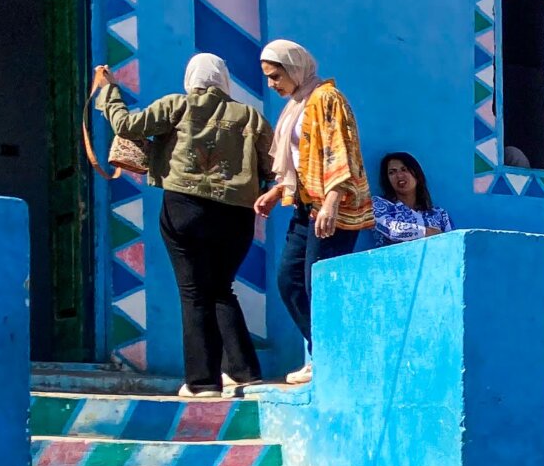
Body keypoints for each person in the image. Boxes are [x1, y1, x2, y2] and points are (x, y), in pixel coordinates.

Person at [90, 54, 272, 397]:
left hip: (185, 208)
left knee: (194, 293)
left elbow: (127, 126)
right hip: (236, 215)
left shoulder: (177, 105)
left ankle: (203, 382)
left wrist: (110, 92)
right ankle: (245, 372)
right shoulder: (250, 117)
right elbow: (271, 165)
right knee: (221, 288)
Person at [252, 39, 372, 387]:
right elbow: (300, 159)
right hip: (306, 207)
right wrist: (277, 190)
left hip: (332, 208)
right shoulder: (298, 104)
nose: (272, 84)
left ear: (294, 69)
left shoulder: (327, 99)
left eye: (276, 76)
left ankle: (330, 359)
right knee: (288, 281)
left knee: (316, 285)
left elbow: (340, 149)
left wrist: (332, 201)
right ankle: (326, 353)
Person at [369, 151, 453, 245]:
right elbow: (392, 230)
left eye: (404, 169)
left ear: (416, 174)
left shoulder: (440, 214)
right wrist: (428, 232)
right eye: (392, 172)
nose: (399, 175)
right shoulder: (378, 205)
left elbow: (452, 243)